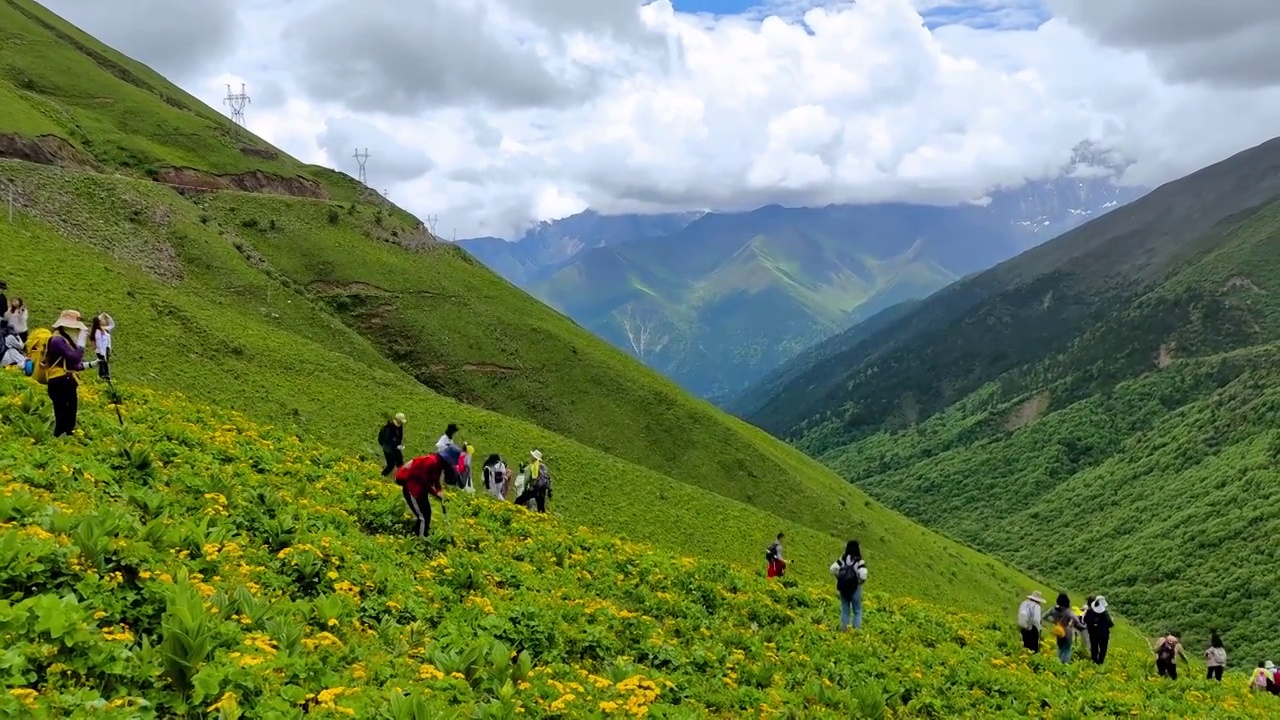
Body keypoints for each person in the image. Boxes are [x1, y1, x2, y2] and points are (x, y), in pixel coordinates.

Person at [41, 311, 97, 437]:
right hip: (61, 381)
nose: (77, 332)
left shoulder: (64, 340)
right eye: (76, 329)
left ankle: (65, 442)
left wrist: (93, 364)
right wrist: (81, 345)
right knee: (63, 416)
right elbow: (74, 359)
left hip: (66, 380)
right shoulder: (57, 340)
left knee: (69, 415)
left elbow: (72, 365)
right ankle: (61, 443)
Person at [393, 453, 448, 537]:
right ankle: (421, 540)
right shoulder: (430, 463)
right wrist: (436, 494)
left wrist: (439, 491)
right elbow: (424, 483)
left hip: (420, 490)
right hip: (412, 490)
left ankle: (420, 533)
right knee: (423, 517)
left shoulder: (437, 463)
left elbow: (435, 479)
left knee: (427, 513)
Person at [828, 540, 868, 631]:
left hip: (843, 588)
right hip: (855, 587)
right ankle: (856, 631)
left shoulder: (843, 558)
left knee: (845, 609)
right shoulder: (859, 561)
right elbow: (863, 574)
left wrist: (839, 577)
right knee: (857, 610)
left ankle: (844, 629)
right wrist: (860, 582)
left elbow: (833, 568)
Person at [1044, 593, 1085, 664]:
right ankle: (1064, 664)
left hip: (1058, 631)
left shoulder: (1053, 609)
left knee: (1060, 648)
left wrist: (1053, 621)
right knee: (1066, 650)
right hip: (1067, 631)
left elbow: (1044, 616)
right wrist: (1082, 627)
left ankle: (1058, 663)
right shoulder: (1068, 611)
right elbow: (1076, 620)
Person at [1084, 595, 1114, 665]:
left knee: (1094, 647)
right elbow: (1110, 624)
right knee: (1103, 648)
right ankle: (1100, 662)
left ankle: (1094, 660)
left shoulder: (1090, 611)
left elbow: (1085, 619)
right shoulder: (1104, 613)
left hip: (1092, 633)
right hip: (1103, 634)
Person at [90, 312, 113, 381]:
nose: (104, 320)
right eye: (102, 320)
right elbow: (99, 342)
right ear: (99, 322)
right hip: (101, 350)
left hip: (106, 349)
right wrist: (102, 353)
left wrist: (107, 316)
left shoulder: (104, 329)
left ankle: (103, 376)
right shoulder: (98, 331)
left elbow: (112, 324)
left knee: (104, 363)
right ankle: (104, 376)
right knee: (103, 362)